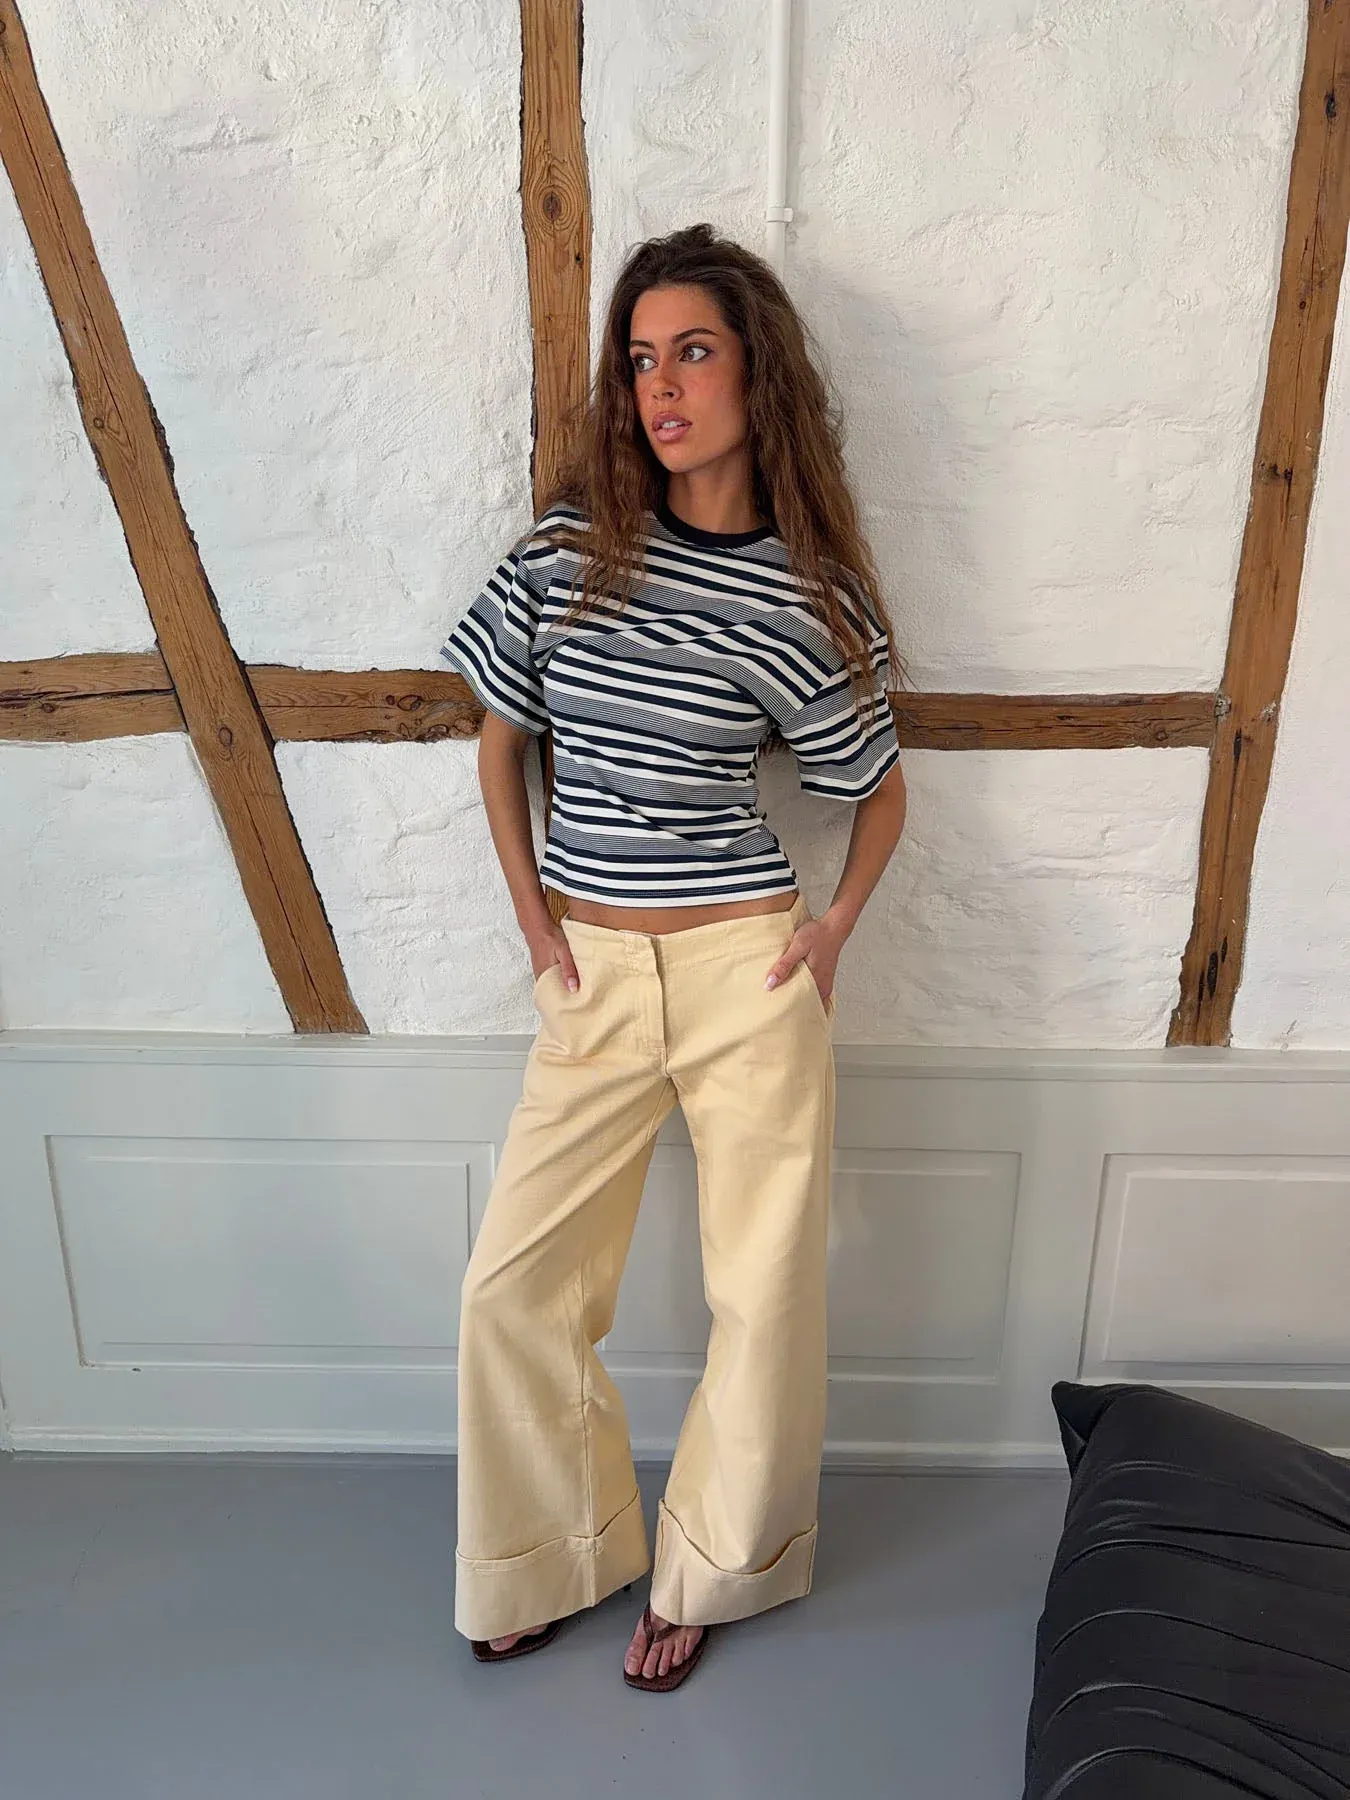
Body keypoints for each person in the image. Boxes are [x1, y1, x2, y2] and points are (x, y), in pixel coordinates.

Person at [437, 222, 908, 1692]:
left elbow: (878, 791)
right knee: (512, 1288)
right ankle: (542, 1553)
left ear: (757, 373)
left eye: (693, 351)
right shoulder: (568, 553)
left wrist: (827, 934)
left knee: (761, 1293)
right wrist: (536, 930)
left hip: (743, 974)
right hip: (588, 971)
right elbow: (500, 746)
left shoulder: (806, 599)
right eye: (641, 359)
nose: (661, 386)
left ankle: (715, 1567)